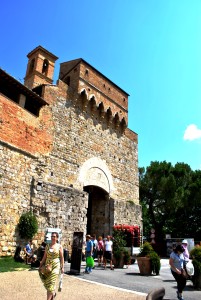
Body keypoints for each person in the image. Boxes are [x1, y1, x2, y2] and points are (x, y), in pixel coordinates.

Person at [39, 232, 64, 300]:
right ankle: (53, 294)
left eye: (54, 236)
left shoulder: (59, 246)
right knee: (48, 283)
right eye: (52, 236)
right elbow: (44, 257)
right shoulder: (47, 246)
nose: (53, 237)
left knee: (51, 282)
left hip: (56, 265)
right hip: (48, 266)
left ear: (57, 238)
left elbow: (62, 258)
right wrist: (41, 265)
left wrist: (62, 267)